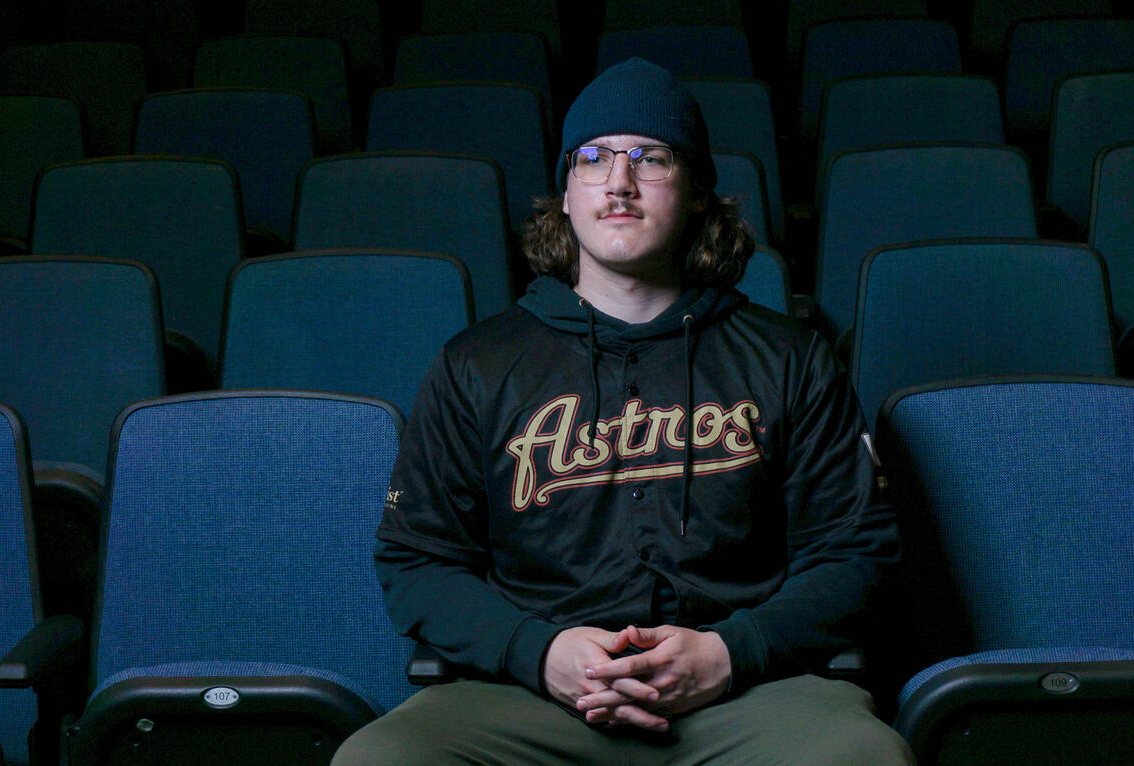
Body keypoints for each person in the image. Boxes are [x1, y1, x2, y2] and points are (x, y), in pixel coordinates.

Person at [331, 57, 914, 765]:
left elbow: (857, 554)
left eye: (651, 158)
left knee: (863, 754)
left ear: (698, 192)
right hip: (531, 697)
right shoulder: (475, 364)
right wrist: (538, 652)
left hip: (745, 693)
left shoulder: (791, 358)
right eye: (594, 158)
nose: (619, 181)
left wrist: (729, 653)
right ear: (566, 194)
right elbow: (417, 560)